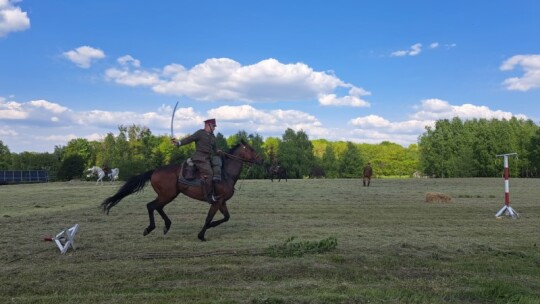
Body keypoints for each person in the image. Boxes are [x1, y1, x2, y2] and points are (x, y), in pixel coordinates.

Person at [171, 118, 221, 203]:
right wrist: (178, 143)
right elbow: (189, 139)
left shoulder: (212, 136)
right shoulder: (200, 133)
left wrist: (218, 151)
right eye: (213, 126)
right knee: (209, 173)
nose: (214, 128)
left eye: (214, 126)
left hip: (208, 158)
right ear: (207, 125)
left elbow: (215, 149)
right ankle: (209, 196)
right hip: (199, 158)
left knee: (217, 166)